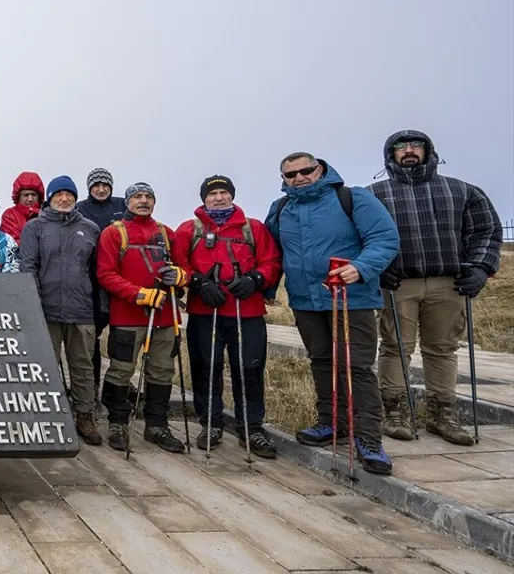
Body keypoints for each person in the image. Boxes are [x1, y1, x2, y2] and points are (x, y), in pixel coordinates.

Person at [265, 152, 400, 475]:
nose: (299, 178)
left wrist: (361, 267)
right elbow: (273, 252)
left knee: (357, 367)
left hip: (350, 299)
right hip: (305, 301)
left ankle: (368, 438)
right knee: (322, 360)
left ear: (320, 169)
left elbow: (384, 238)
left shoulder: (352, 199)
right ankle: (331, 422)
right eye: (290, 175)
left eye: (306, 171)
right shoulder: (282, 209)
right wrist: (268, 291)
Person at [367, 131, 502, 446]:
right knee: (395, 347)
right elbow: (359, 235)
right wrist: (376, 269)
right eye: (401, 147)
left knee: (442, 349)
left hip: (448, 282)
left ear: (429, 151)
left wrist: (481, 268)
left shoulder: (462, 191)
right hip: (399, 282)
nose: (409, 151)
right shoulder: (374, 195)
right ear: (391, 154)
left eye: (417, 146)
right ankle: (395, 412)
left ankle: (443, 415)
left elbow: (486, 230)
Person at [173, 175, 283, 458]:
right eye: (213, 194)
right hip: (204, 312)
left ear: (232, 196)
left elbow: (271, 261)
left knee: (249, 369)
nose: (219, 198)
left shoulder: (253, 228)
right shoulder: (190, 229)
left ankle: (252, 427)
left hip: (246, 312)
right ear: (204, 199)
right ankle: (210, 423)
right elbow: (179, 263)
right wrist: (198, 282)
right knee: (205, 368)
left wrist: (256, 279)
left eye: (224, 193)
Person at [97, 183, 190, 454]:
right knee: (121, 370)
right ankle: (117, 423)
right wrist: (139, 294)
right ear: (127, 202)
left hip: (165, 316)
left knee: (162, 371)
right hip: (127, 316)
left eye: (149, 196)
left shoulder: (166, 233)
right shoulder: (113, 234)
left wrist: (180, 276)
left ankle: (157, 425)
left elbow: (185, 267)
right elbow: (105, 274)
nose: (144, 201)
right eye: (137, 196)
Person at [18, 176, 102, 444]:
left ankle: (85, 416)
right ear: (50, 198)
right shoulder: (35, 228)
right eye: (59, 194)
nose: (64, 199)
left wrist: (100, 309)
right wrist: (34, 306)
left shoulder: (90, 228)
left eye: (69, 194)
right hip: (47, 310)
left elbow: (97, 271)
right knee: (45, 367)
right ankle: (47, 416)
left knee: (82, 367)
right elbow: (28, 267)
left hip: (81, 310)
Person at [75, 167, 128, 394]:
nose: (100, 189)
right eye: (96, 185)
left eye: (105, 185)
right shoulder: (80, 209)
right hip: (92, 278)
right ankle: (92, 385)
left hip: (121, 276)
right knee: (92, 333)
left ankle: (121, 384)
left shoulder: (122, 206)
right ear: (89, 188)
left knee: (123, 333)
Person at [0, 172, 44, 245]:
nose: (30, 199)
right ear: (18, 197)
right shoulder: (9, 215)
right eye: (26, 195)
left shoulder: (47, 215)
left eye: (34, 195)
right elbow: (14, 243)